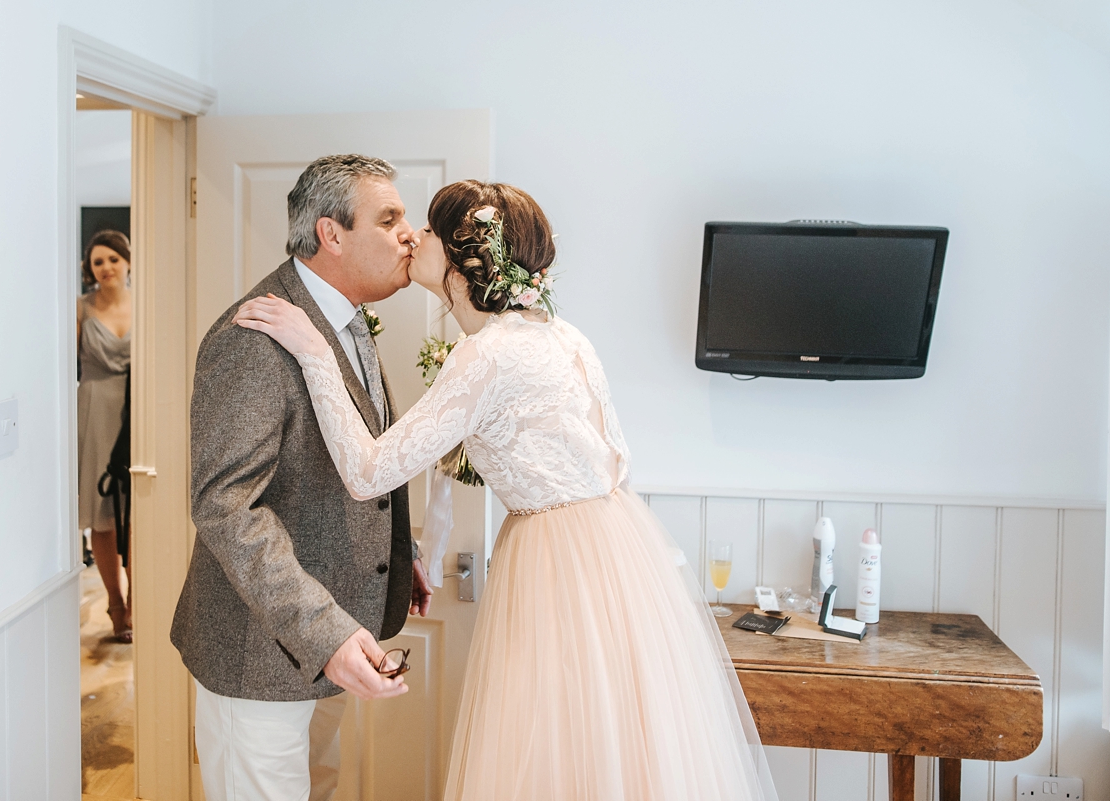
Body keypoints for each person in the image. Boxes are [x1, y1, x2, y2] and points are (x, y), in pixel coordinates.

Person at [235, 180, 779, 801]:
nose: (413, 238)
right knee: (606, 740)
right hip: (616, 551)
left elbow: (366, 473)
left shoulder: (485, 357)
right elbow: (615, 460)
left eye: (430, 230)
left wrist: (314, 353)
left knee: (552, 741)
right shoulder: (566, 337)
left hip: (555, 564)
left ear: (466, 253)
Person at [171, 155, 434, 801]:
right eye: (390, 217)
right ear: (332, 233)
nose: (410, 233)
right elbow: (225, 506)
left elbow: (349, 462)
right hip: (259, 655)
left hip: (332, 638)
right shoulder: (253, 337)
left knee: (318, 786)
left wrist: (399, 552)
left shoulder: (346, 320)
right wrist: (327, 632)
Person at [77, 230, 133, 643]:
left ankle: (139, 600)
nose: (106, 268)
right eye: (98, 262)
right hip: (95, 410)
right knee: (103, 515)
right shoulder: (79, 309)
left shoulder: (145, 303)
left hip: (136, 412)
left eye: (112, 259)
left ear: (127, 262)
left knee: (136, 514)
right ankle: (114, 601)